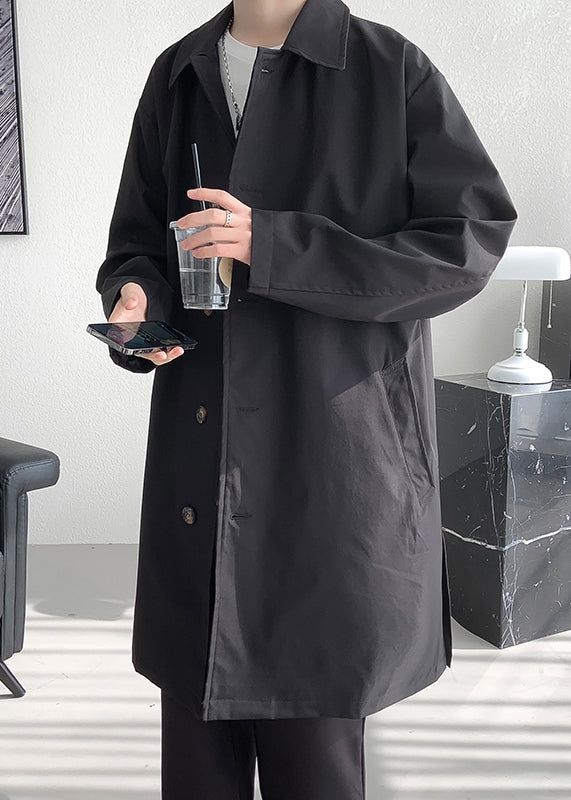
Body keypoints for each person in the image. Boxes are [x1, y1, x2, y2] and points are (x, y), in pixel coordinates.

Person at [96, 0, 517, 797]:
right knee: (197, 746)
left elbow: (465, 244)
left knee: (314, 744)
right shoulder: (178, 73)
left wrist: (276, 246)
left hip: (334, 451)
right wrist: (134, 298)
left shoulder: (388, 69)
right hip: (201, 452)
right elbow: (139, 240)